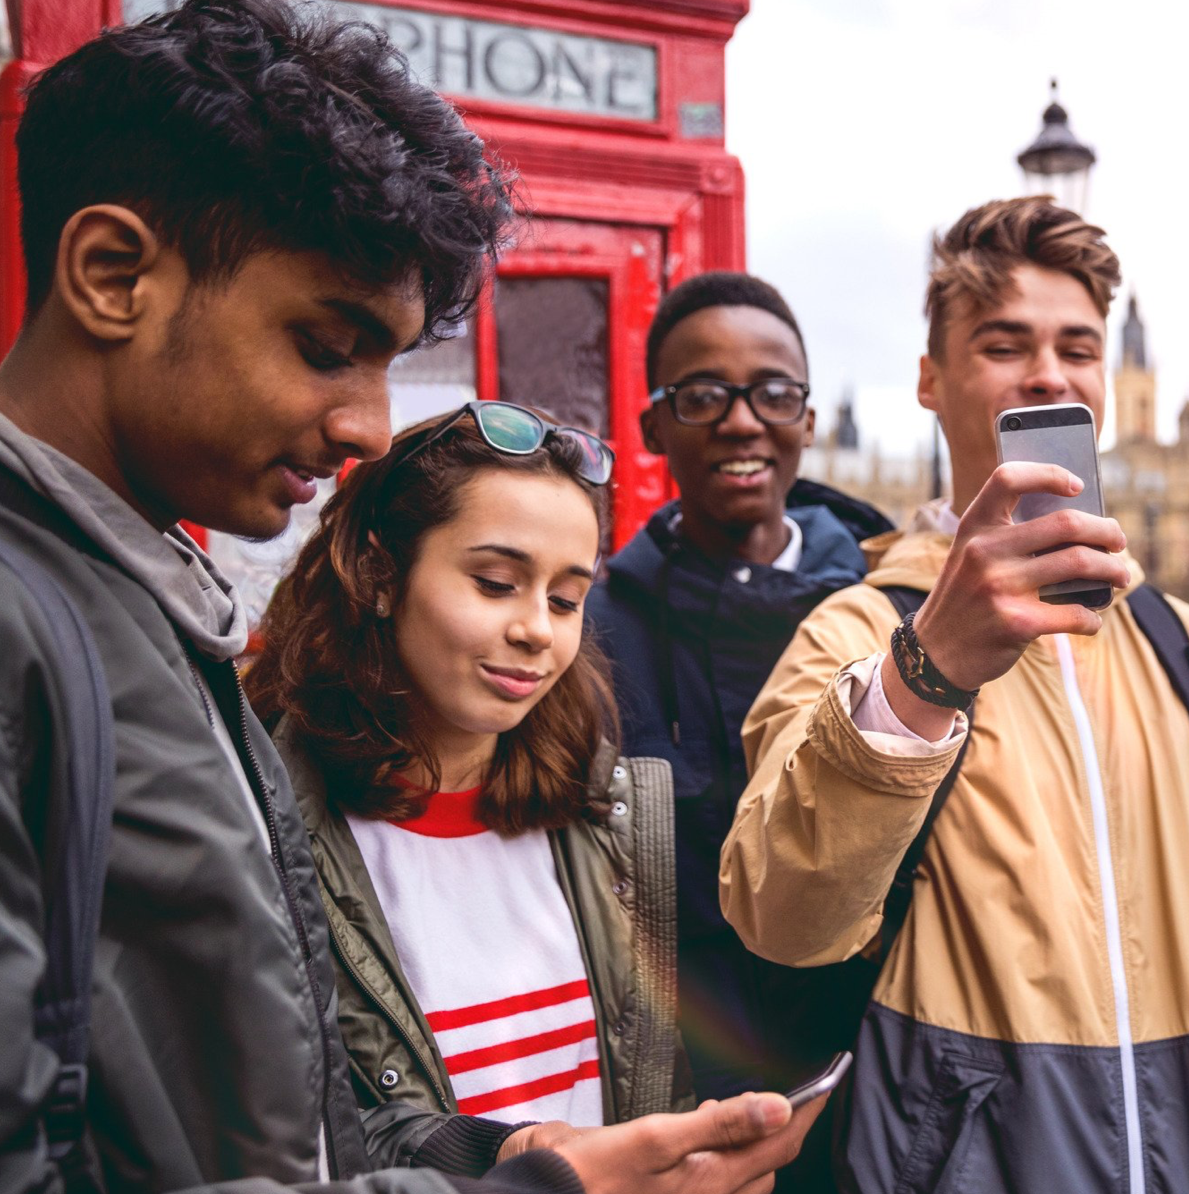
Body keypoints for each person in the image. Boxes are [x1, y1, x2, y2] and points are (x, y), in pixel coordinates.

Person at [0, 3, 813, 1192]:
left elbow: (289, 1125)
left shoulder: (150, 614)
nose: (368, 427)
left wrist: (499, 1156)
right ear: (113, 274)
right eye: (327, 346)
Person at [718, 196, 1189, 1193]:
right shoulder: (855, 636)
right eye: (1004, 344)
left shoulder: (1178, 644)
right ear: (929, 379)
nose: (1048, 372)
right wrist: (928, 671)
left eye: (1077, 348)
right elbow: (782, 916)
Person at [247, 403, 693, 1160]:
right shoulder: (268, 824)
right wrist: (500, 1161)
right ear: (379, 575)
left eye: (565, 599)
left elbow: (650, 1083)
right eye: (495, 583)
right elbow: (279, 1136)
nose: (537, 631)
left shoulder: (603, 818)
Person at [585, 273, 893, 1103]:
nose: (742, 420)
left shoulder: (899, 616)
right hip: (679, 1094)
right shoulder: (587, 633)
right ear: (653, 423)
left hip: (881, 1089)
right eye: (704, 395)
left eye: (772, 392)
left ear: (810, 417)